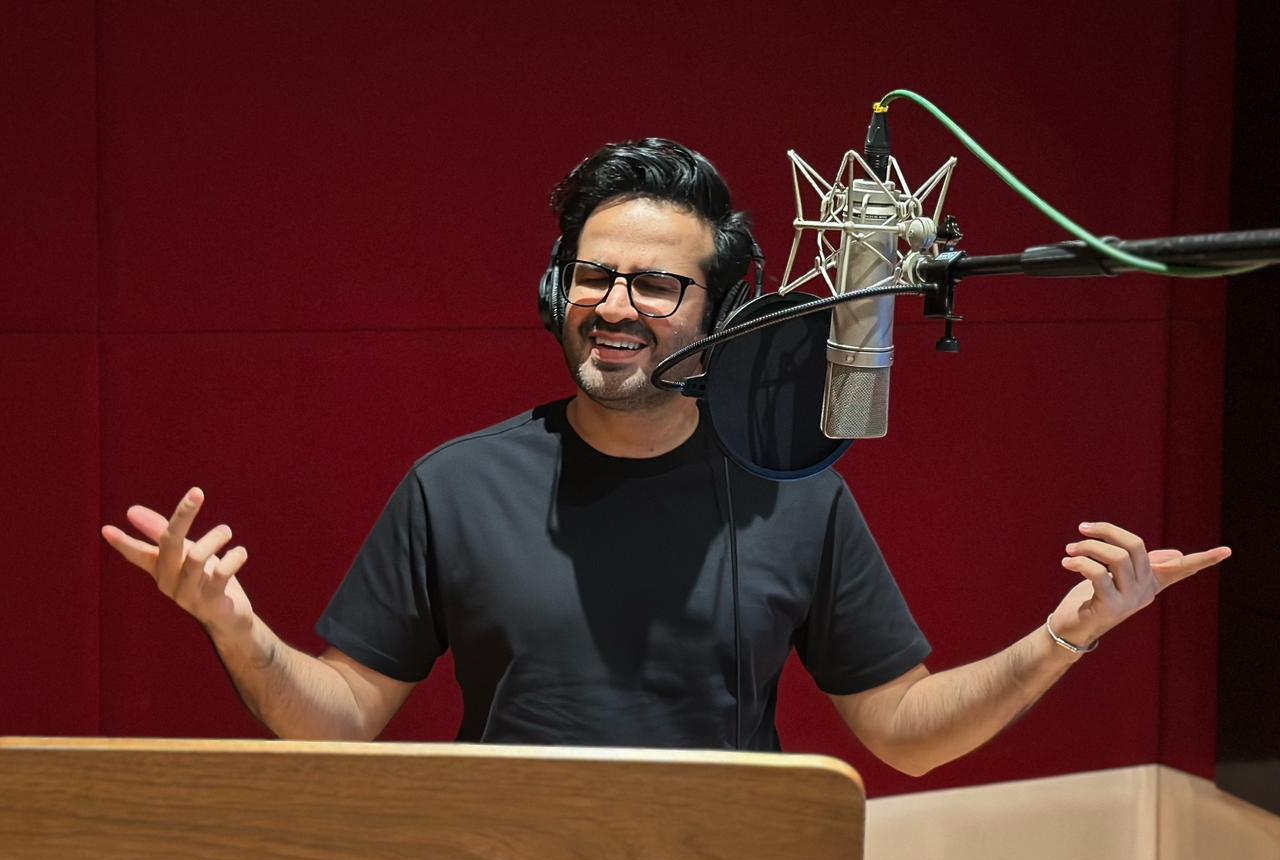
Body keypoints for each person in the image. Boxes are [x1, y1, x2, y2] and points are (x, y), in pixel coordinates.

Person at [101, 138, 1230, 773]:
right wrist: (238, 631)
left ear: (723, 313)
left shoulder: (793, 494)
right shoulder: (457, 485)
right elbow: (344, 714)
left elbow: (901, 729)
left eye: (654, 284)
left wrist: (1064, 635)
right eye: (594, 276)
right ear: (556, 290)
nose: (615, 307)